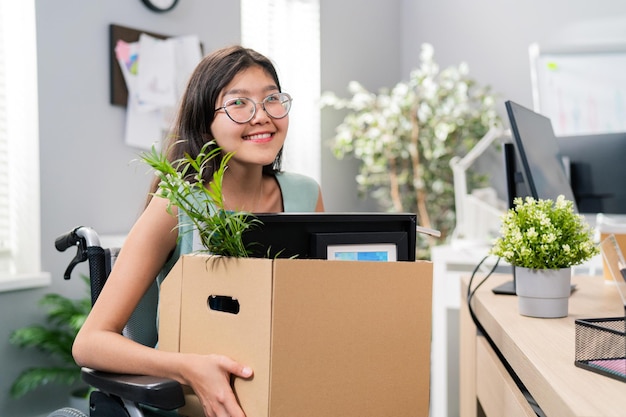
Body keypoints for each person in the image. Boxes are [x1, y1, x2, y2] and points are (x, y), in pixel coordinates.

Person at [72, 45, 325, 417]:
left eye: (272, 99)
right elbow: (90, 343)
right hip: (191, 404)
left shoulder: (306, 194)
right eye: (239, 103)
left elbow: (321, 307)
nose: (263, 117)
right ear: (205, 119)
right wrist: (188, 367)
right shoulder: (176, 203)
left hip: (289, 395)